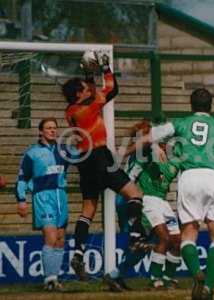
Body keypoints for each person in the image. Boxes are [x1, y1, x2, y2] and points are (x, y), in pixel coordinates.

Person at [132, 88, 214, 300]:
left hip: (189, 177)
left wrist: (155, 145)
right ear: (210, 106)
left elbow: (149, 136)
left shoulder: (181, 123)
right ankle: (209, 289)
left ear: (191, 105)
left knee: (188, 234)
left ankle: (197, 273)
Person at [62, 51, 143, 280]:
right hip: (99, 157)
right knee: (134, 194)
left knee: (88, 208)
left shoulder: (70, 112)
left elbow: (89, 92)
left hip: (84, 161)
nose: (90, 89)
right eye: (86, 88)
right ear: (80, 93)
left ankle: (78, 253)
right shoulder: (89, 104)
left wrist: (88, 73)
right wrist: (106, 68)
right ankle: (136, 237)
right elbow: (112, 89)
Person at [104, 120, 181, 291]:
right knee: (155, 240)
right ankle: (156, 280)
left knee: (169, 242)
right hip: (139, 200)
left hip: (158, 201)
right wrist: (152, 145)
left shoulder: (170, 153)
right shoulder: (145, 151)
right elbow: (142, 145)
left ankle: (117, 274)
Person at [15, 118, 77, 291]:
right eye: (48, 128)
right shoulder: (32, 153)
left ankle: (53, 279)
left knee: (60, 239)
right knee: (50, 237)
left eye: (55, 128)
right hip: (43, 197)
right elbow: (22, 178)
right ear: (40, 131)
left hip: (61, 197)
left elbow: (83, 156)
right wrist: (21, 200)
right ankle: (49, 279)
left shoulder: (64, 151)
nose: (52, 131)